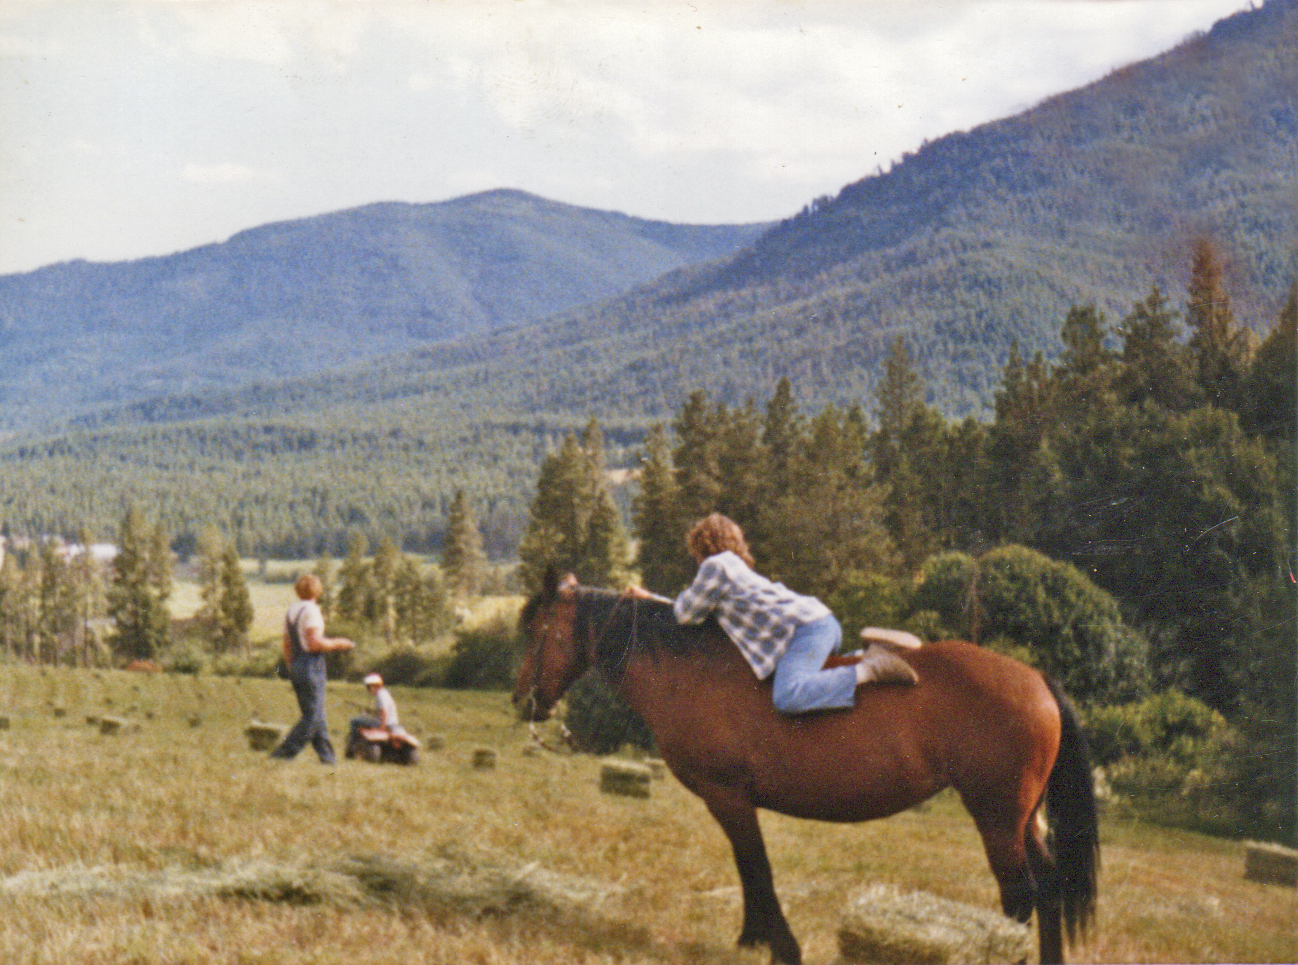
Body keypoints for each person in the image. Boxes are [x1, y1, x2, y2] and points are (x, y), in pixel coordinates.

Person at [631, 513, 916, 714]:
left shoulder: (715, 567)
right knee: (806, 677)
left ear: (701, 547)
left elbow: (684, 614)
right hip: (818, 624)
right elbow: (692, 610)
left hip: (808, 632)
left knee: (788, 694)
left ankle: (872, 667)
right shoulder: (735, 568)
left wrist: (648, 602)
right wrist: (653, 598)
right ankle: (869, 653)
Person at [270, 574, 354, 763]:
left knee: (316, 713)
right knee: (313, 716)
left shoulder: (292, 610)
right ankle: (283, 753)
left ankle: (328, 758)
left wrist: (293, 666)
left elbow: (287, 643)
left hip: (297, 664)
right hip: (311, 665)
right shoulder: (312, 611)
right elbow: (315, 643)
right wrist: (339, 643)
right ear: (317, 591)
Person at [348, 673, 401, 746]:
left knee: (354, 721)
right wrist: (372, 712)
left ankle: (352, 746)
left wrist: (382, 728)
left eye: (369, 687)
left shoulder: (380, 695)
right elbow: (382, 711)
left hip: (385, 723)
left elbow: (384, 712)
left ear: (375, 685)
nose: (368, 689)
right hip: (392, 722)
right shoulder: (384, 693)